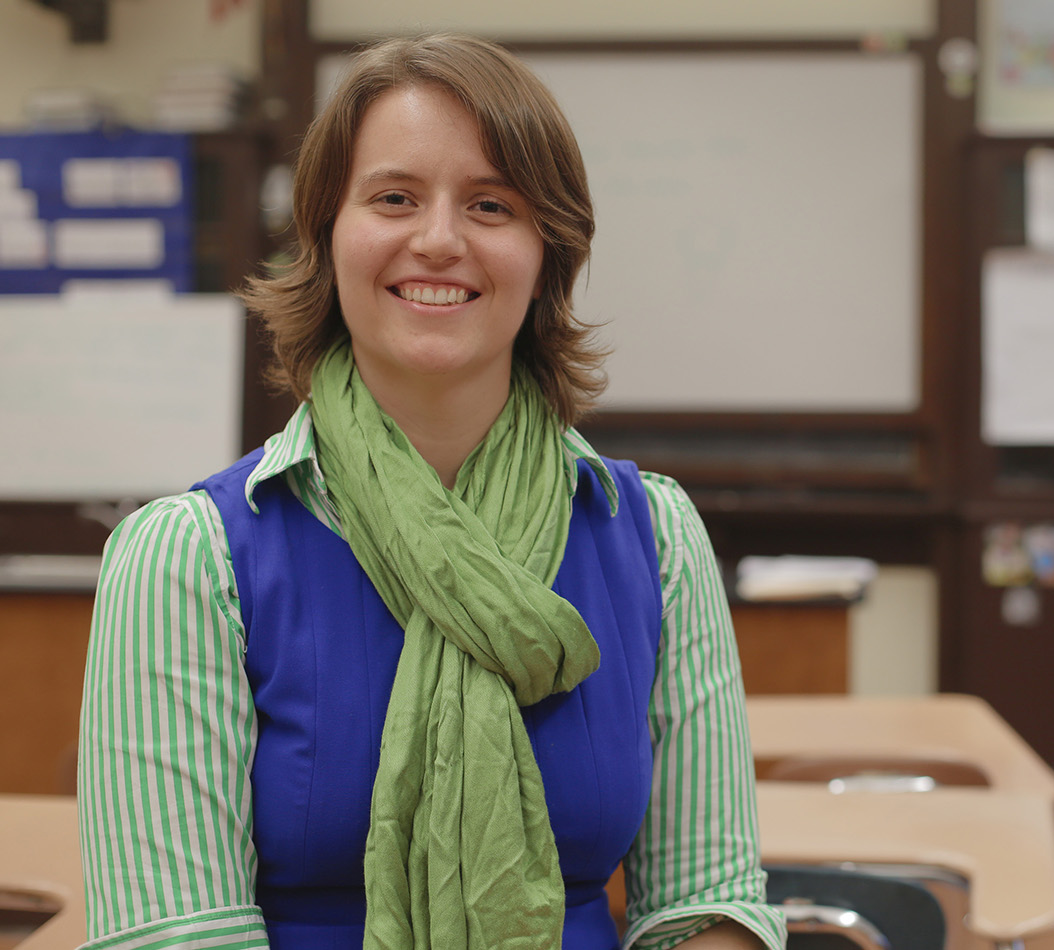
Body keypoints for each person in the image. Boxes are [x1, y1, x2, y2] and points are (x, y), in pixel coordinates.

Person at [76, 33, 783, 950]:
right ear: (328, 235)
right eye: (394, 197)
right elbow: (171, 935)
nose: (440, 240)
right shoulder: (189, 559)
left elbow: (706, 898)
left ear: (547, 253)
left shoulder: (652, 536)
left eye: (491, 204)